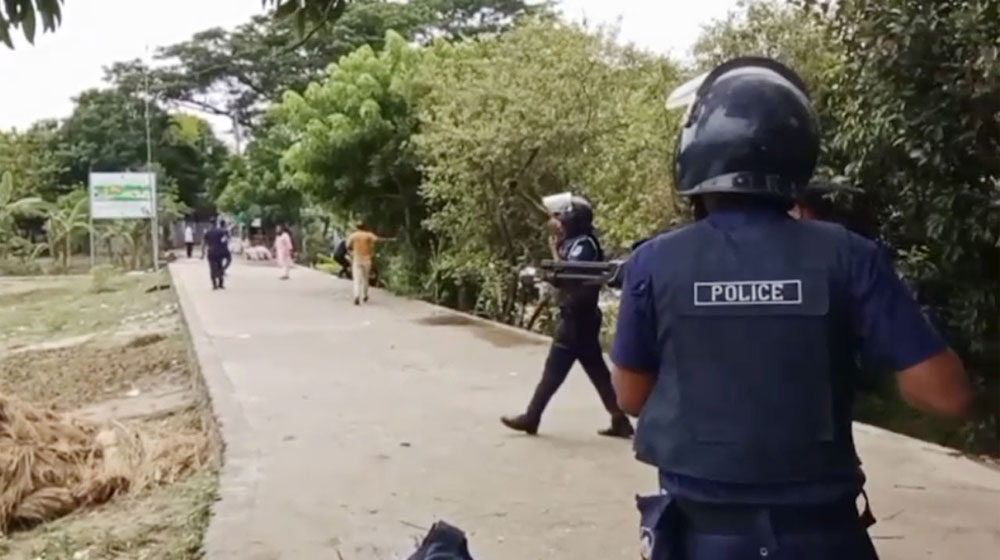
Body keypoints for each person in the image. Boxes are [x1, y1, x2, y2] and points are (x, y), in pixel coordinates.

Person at [611, 57, 971, 560]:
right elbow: (944, 395)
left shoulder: (653, 262)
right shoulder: (850, 256)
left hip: (701, 538)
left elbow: (629, 396)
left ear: (694, 153)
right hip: (824, 537)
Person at [501, 193, 634, 438]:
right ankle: (619, 419)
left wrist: (554, 256)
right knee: (597, 373)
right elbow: (562, 270)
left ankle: (532, 417)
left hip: (578, 318)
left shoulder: (584, 245)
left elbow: (568, 276)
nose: (558, 222)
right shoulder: (576, 241)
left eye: (563, 217)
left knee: (553, 372)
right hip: (579, 317)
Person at [346, 222, 391, 305]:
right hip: (367, 260)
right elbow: (377, 239)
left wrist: (352, 252)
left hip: (357, 259)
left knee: (357, 280)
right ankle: (365, 295)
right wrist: (388, 239)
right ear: (365, 227)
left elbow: (348, 245)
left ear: (357, 227)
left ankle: (356, 296)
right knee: (365, 278)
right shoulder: (368, 235)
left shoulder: (354, 235)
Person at [202, 218, 231, 290]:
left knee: (212, 268)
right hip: (219, 251)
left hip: (211, 251)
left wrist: (202, 252)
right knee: (220, 266)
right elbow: (225, 240)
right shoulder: (221, 231)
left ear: (210, 223)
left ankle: (214, 284)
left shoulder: (207, 232)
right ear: (216, 223)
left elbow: (204, 243)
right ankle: (221, 283)